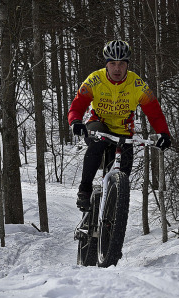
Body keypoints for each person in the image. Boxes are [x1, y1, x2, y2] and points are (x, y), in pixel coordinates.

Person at [68, 40, 171, 210]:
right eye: (113, 63)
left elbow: (155, 113)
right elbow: (77, 105)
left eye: (122, 64)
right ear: (106, 65)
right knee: (97, 141)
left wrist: (164, 133)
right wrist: (76, 121)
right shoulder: (94, 80)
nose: (117, 68)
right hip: (98, 124)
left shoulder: (137, 85)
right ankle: (84, 189)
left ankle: (111, 219)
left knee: (122, 177)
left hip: (123, 133)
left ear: (127, 65)